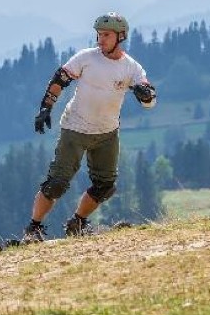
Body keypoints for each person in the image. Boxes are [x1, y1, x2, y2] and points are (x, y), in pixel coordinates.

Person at [24, 12, 157, 241]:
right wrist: (45, 108)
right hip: (75, 129)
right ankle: (33, 229)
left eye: (106, 35)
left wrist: (145, 95)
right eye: (98, 35)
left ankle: (77, 223)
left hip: (107, 133)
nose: (100, 39)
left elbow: (150, 101)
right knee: (56, 184)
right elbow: (60, 80)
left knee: (105, 186)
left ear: (120, 36)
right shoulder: (87, 58)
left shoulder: (132, 68)